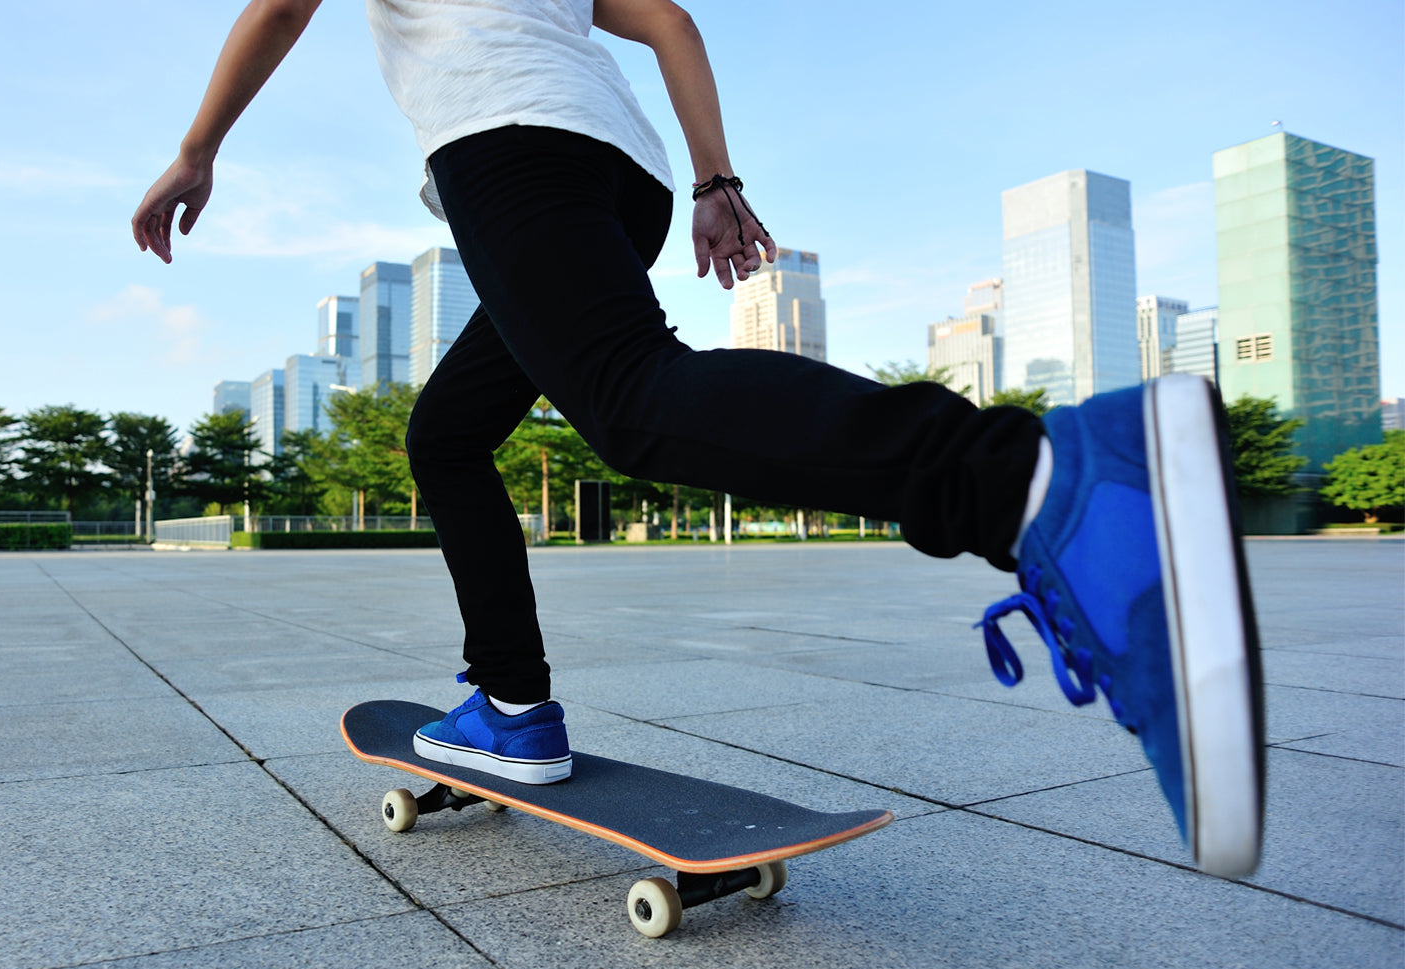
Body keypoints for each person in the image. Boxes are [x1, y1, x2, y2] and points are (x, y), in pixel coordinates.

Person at [131, 0, 1263, 878]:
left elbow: (277, 10)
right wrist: (718, 179)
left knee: (628, 398)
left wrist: (196, 149)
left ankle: (1035, 481)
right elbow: (670, 19)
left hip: (507, 147)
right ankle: (512, 706)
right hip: (623, 171)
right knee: (449, 432)